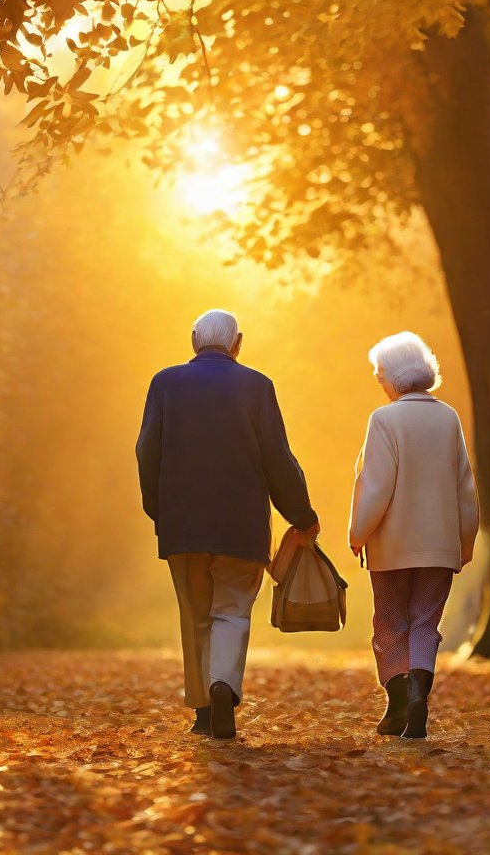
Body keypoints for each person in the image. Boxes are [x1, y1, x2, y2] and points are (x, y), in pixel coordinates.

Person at [136, 309, 320, 740]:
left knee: (195, 614)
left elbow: (147, 450)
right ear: (238, 343)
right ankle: (223, 687)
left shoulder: (165, 383)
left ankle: (203, 710)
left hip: (183, 524)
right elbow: (277, 458)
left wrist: (158, 509)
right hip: (241, 526)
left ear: (193, 339)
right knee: (232, 611)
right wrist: (301, 514)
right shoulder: (257, 386)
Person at [348, 331, 479, 740]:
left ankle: (398, 700)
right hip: (439, 545)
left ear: (392, 375)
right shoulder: (448, 417)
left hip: (392, 545)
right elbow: (465, 487)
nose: (377, 379)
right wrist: (465, 541)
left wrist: (358, 532)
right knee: (425, 623)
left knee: (389, 622)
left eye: (378, 372)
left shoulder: (384, 419)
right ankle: (419, 695)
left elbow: (376, 486)